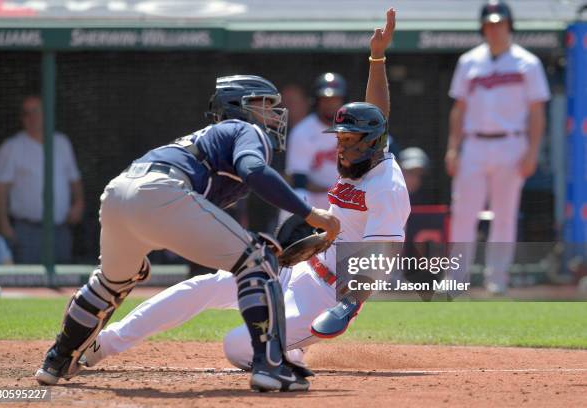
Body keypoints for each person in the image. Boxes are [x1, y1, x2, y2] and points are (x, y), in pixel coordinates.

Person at [77, 8, 406, 372]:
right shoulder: (366, 158)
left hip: (327, 296)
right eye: (340, 139)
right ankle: (100, 345)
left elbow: (381, 256)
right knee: (202, 287)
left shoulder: (386, 186)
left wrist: (348, 305)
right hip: (299, 270)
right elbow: (377, 114)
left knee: (237, 346)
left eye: (350, 141)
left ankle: (288, 351)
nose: (341, 148)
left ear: (373, 144)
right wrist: (377, 56)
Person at [34, 74, 341, 392]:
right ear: (238, 107)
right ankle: (269, 367)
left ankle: (57, 361)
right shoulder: (245, 130)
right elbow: (255, 171)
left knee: (111, 281)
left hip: (119, 192)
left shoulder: (206, 139)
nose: (273, 114)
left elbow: (196, 216)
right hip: (163, 191)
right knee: (259, 261)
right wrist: (309, 213)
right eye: (263, 104)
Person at [445, 0, 550, 295]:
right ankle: (457, 277)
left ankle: (497, 278)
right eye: (489, 24)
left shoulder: (527, 62)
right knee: (464, 213)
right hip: (475, 144)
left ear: (509, 25)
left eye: (499, 23)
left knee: (505, 215)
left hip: (512, 143)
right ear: (482, 28)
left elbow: (537, 112)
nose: (494, 29)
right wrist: (453, 147)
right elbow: (459, 108)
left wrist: (532, 151)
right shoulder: (469, 61)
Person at [0, 95, 84, 264]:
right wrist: (3, 225)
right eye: (26, 113)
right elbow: (1, 190)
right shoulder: (11, 147)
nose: (31, 117)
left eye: (36, 111)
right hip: (27, 231)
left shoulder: (62, 142)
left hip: (60, 230)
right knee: (29, 281)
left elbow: (75, 179)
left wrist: (78, 203)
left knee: (64, 282)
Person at [285, 72, 347, 211]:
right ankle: (291, 233)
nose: (330, 104)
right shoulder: (303, 131)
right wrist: (331, 191)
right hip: (318, 198)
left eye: (335, 99)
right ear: (316, 101)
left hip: (352, 196)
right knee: (297, 196)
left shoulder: (356, 126)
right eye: (325, 99)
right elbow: (299, 179)